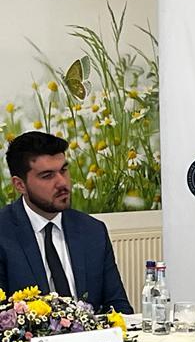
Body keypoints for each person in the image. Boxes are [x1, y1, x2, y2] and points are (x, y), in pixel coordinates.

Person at [0, 131, 132, 314]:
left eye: (63, 170)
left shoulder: (93, 231)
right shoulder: (4, 232)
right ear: (20, 185)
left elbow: (118, 307)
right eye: (47, 176)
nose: (62, 183)